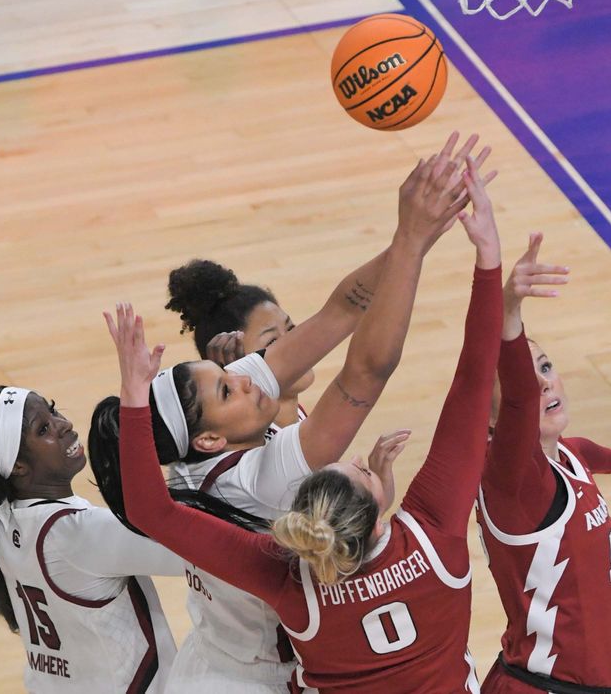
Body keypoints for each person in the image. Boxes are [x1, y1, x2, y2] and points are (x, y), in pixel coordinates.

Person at [90, 133, 494, 692]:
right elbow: (365, 374)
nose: (249, 377)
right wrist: (411, 236)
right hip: (256, 680)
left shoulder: (214, 431)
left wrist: (412, 242)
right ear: (208, 441)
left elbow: (339, 311)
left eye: (228, 373)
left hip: (218, 659)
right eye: (228, 389)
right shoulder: (257, 479)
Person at [476, 233, 611, 694]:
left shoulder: (561, 457)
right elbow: (518, 396)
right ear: (494, 415)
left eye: (547, 367)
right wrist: (508, 307)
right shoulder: (513, 480)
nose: (544, 385)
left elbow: (580, 449)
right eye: (526, 381)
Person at [0, 386, 186, 693]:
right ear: (17, 467)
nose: (64, 424)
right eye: (43, 428)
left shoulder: (1, 523)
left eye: (54, 410)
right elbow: (198, 550)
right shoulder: (77, 535)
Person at [165, 258, 315, 432]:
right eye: (272, 341)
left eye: (291, 329)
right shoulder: (257, 447)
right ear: (235, 365)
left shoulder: (295, 412)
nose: (294, 344)